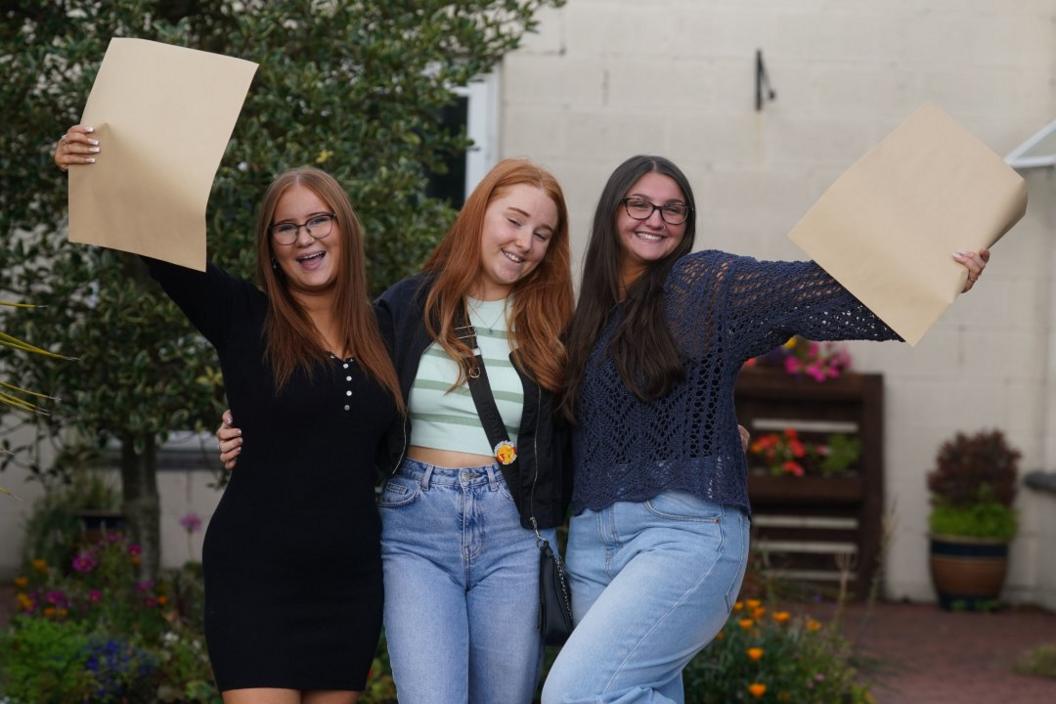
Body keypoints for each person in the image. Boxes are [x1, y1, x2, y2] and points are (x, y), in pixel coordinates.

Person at [539, 154, 990, 704]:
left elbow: (814, 293)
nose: (655, 219)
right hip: (591, 545)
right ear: (612, 211)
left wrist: (938, 276)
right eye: (640, 203)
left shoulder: (703, 287)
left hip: (682, 534)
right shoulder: (584, 318)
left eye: (673, 209)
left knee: (576, 694)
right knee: (629, 690)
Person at [55, 125, 404, 704]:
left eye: (320, 220)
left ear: (345, 229)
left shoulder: (389, 329)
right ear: (270, 247)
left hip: (349, 583)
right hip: (255, 577)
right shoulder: (243, 317)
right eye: (286, 228)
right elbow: (153, 234)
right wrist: (84, 161)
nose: (305, 238)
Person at [218, 158, 576, 704]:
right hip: (416, 527)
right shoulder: (405, 307)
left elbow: (599, 415)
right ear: (480, 216)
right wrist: (251, 430)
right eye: (514, 220)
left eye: (542, 233)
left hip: (515, 534)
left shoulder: (557, 326)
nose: (524, 241)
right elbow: (334, 391)